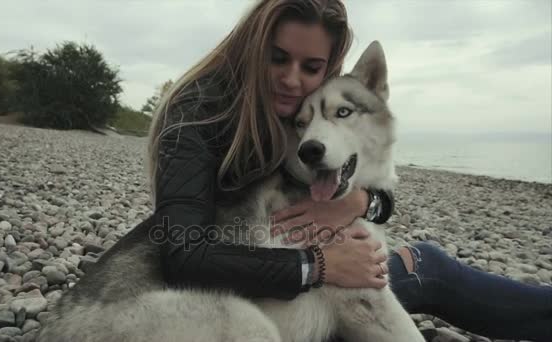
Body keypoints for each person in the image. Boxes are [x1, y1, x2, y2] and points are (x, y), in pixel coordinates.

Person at [145, 0, 552, 341]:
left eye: (311, 66)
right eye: (278, 58)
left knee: (426, 262)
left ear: (327, 69)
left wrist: (358, 201)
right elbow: (183, 254)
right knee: (412, 273)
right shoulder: (199, 111)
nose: (291, 79)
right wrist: (319, 264)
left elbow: (372, 184)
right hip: (235, 295)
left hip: (288, 285)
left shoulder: (298, 114)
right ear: (255, 46)